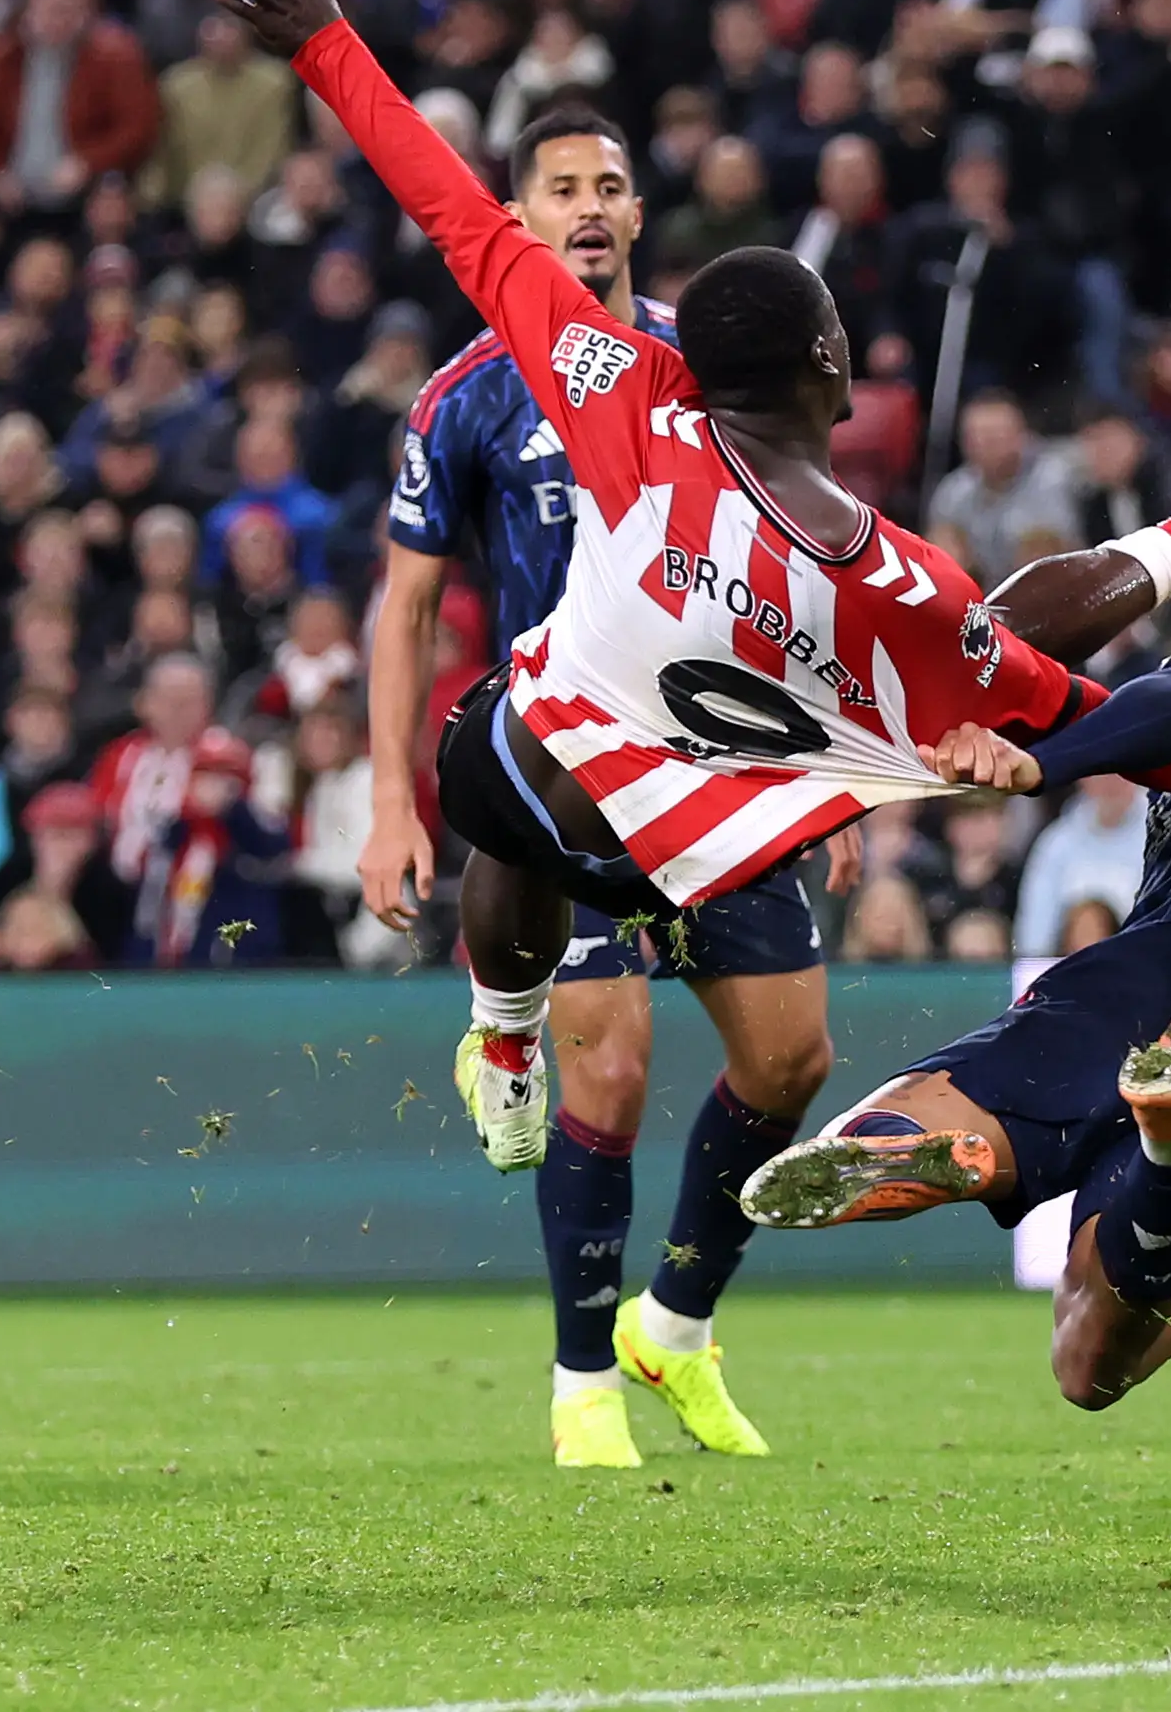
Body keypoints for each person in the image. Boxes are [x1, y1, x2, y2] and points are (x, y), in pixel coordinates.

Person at [204, 0, 1171, 1433]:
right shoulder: (896, 587)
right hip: (718, 815)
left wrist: (327, 38)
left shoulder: (619, 392)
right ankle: (543, 1158)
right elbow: (1055, 678)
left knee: (495, 772)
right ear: (836, 370)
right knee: (607, 923)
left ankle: (541, 1093)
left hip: (557, 762)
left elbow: (451, 214)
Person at [359, 102, 854, 1469]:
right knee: (616, 1069)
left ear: (640, 217)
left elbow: (789, 577)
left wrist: (829, 771)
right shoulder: (468, 394)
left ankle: (675, 1327)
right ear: (519, 219)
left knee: (791, 1058)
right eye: (560, 185)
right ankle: (582, 1381)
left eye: (612, 185)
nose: (588, 204)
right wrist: (393, 801)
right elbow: (403, 610)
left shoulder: (709, 377)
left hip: (721, 776)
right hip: (568, 783)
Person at [741, 561, 1171, 1411]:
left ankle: (924, 1141)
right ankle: (1170, 1159)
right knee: (1092, 1363)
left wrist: (1040, 766)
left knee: (944, 1101)